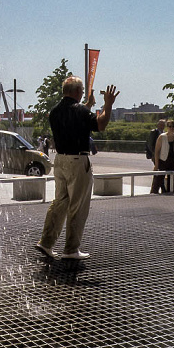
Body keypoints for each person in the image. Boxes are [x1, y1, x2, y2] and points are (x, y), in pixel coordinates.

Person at [36, 77, 119, 260]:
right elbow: (101, 125)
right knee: (78, 206)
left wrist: (87, 105)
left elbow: (74, 119)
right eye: (81, 90)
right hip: (78, 160)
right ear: (75, 91)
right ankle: (71, 249)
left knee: (60, 202)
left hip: (60, 160)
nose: (82, 93)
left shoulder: (55, 111)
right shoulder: (80, 111)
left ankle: (46, 242)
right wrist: (108, 105)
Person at [152, 119, 174, 193]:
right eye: (170, 126)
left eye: (173, 126)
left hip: (173, 161)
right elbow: (157, 151)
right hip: (163, 160)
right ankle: (153, 195)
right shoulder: (162, 137)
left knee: (171, 182)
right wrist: (156, 164)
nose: (171, 128)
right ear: (167, 127)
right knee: (158, 181)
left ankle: (169, 197)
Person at [147, 119, 166, 193]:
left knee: (160, 172)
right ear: (158, 125)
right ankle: (161, 189)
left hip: (163, 156)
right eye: (160, 124)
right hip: (156, 155)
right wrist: (155, 154)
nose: (162, 126)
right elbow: (150, 144)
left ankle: (155, 189)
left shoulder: (164, 133)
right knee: (158, 171)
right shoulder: (154, 132)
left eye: (163, 124)